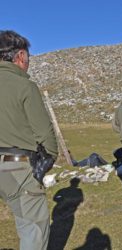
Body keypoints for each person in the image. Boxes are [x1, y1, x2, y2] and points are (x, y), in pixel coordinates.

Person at [0, 30, 58, 250]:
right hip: (15, 166)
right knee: (32, 228)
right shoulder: (24, 86)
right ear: (21, 56)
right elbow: (46, 136)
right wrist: (44, 163)